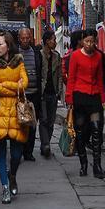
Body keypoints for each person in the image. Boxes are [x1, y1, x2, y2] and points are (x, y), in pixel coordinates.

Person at [0, 32, 29, 204]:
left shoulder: (19, 61)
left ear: (7, 46)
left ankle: (13, 175)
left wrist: (6, 85)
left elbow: (24, 83)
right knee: (0, 153)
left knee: (17, 154)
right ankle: (5, 189)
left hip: (17, 112)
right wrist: (14, 86)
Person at [66, 28, 105, 179]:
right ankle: (83, 163)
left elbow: (100, 78)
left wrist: (103, 99)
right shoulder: (75, 56)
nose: (90, 44)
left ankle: (97, 165)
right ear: (82, 41)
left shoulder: (98, 56)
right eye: (87, 41)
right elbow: (71, 78)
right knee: (81, 131)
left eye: (92, 41)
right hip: (80, 98)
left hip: (94, 97)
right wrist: (69, 98)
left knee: (97, 130)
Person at [16, 27, 42, 161]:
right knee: (21, 123)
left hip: (34, 94)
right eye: (23, 38)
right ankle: (19, 150)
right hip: (21, 95)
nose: (25, 40)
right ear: (19, 39)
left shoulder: (36, 52)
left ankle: (29, 152)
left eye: (27, 38)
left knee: (32, 124)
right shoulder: (15, 53)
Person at [38, 29, 64, 158]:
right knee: (43, 119)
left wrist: (59, 90)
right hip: (42, 93)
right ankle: (45, 144)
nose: (55, 42)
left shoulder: (57, 56)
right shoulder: (39, 55)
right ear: (47, 41)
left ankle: (46, 143)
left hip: (53, 92)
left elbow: (59, 75)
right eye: (53, 40)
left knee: (51, 120)